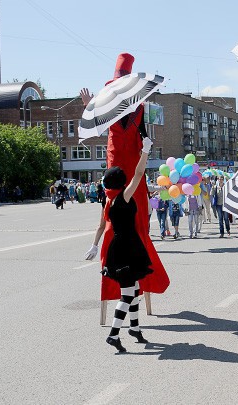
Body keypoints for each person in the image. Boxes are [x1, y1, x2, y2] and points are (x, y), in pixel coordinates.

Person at [81, 52, 169, 303]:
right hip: (116, 160)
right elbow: (93, 125)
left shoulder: (138, 108)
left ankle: (142, 277)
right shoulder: (105, 106)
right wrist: (87, 105)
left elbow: (142, 134)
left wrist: (146, 145)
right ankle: (119, 278)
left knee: (138, 215)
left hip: (133, 158)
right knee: (114, 211)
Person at [100, 136, 153, 352]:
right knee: (128, 294)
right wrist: (145, 152)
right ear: (122, 182)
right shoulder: (123, 197)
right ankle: (113, 334)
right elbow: (139, 175)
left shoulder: (110, 199)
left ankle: (135, 328)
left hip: (123, 249)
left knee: (135, 288)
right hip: (125, 251)